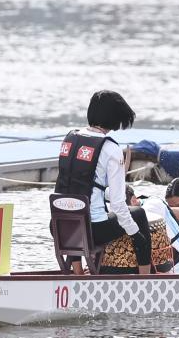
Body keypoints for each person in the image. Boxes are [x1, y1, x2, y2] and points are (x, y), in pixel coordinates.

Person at [53, 91, 154, 275]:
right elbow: (117, 203)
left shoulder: (69, 138)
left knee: (76, 215)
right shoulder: (111, 148)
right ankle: (145, 280)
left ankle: (77, 273)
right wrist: (135, 233)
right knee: (138, 214)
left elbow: (79, 184)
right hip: (93, 231)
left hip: (59, 226)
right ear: (114, 117)